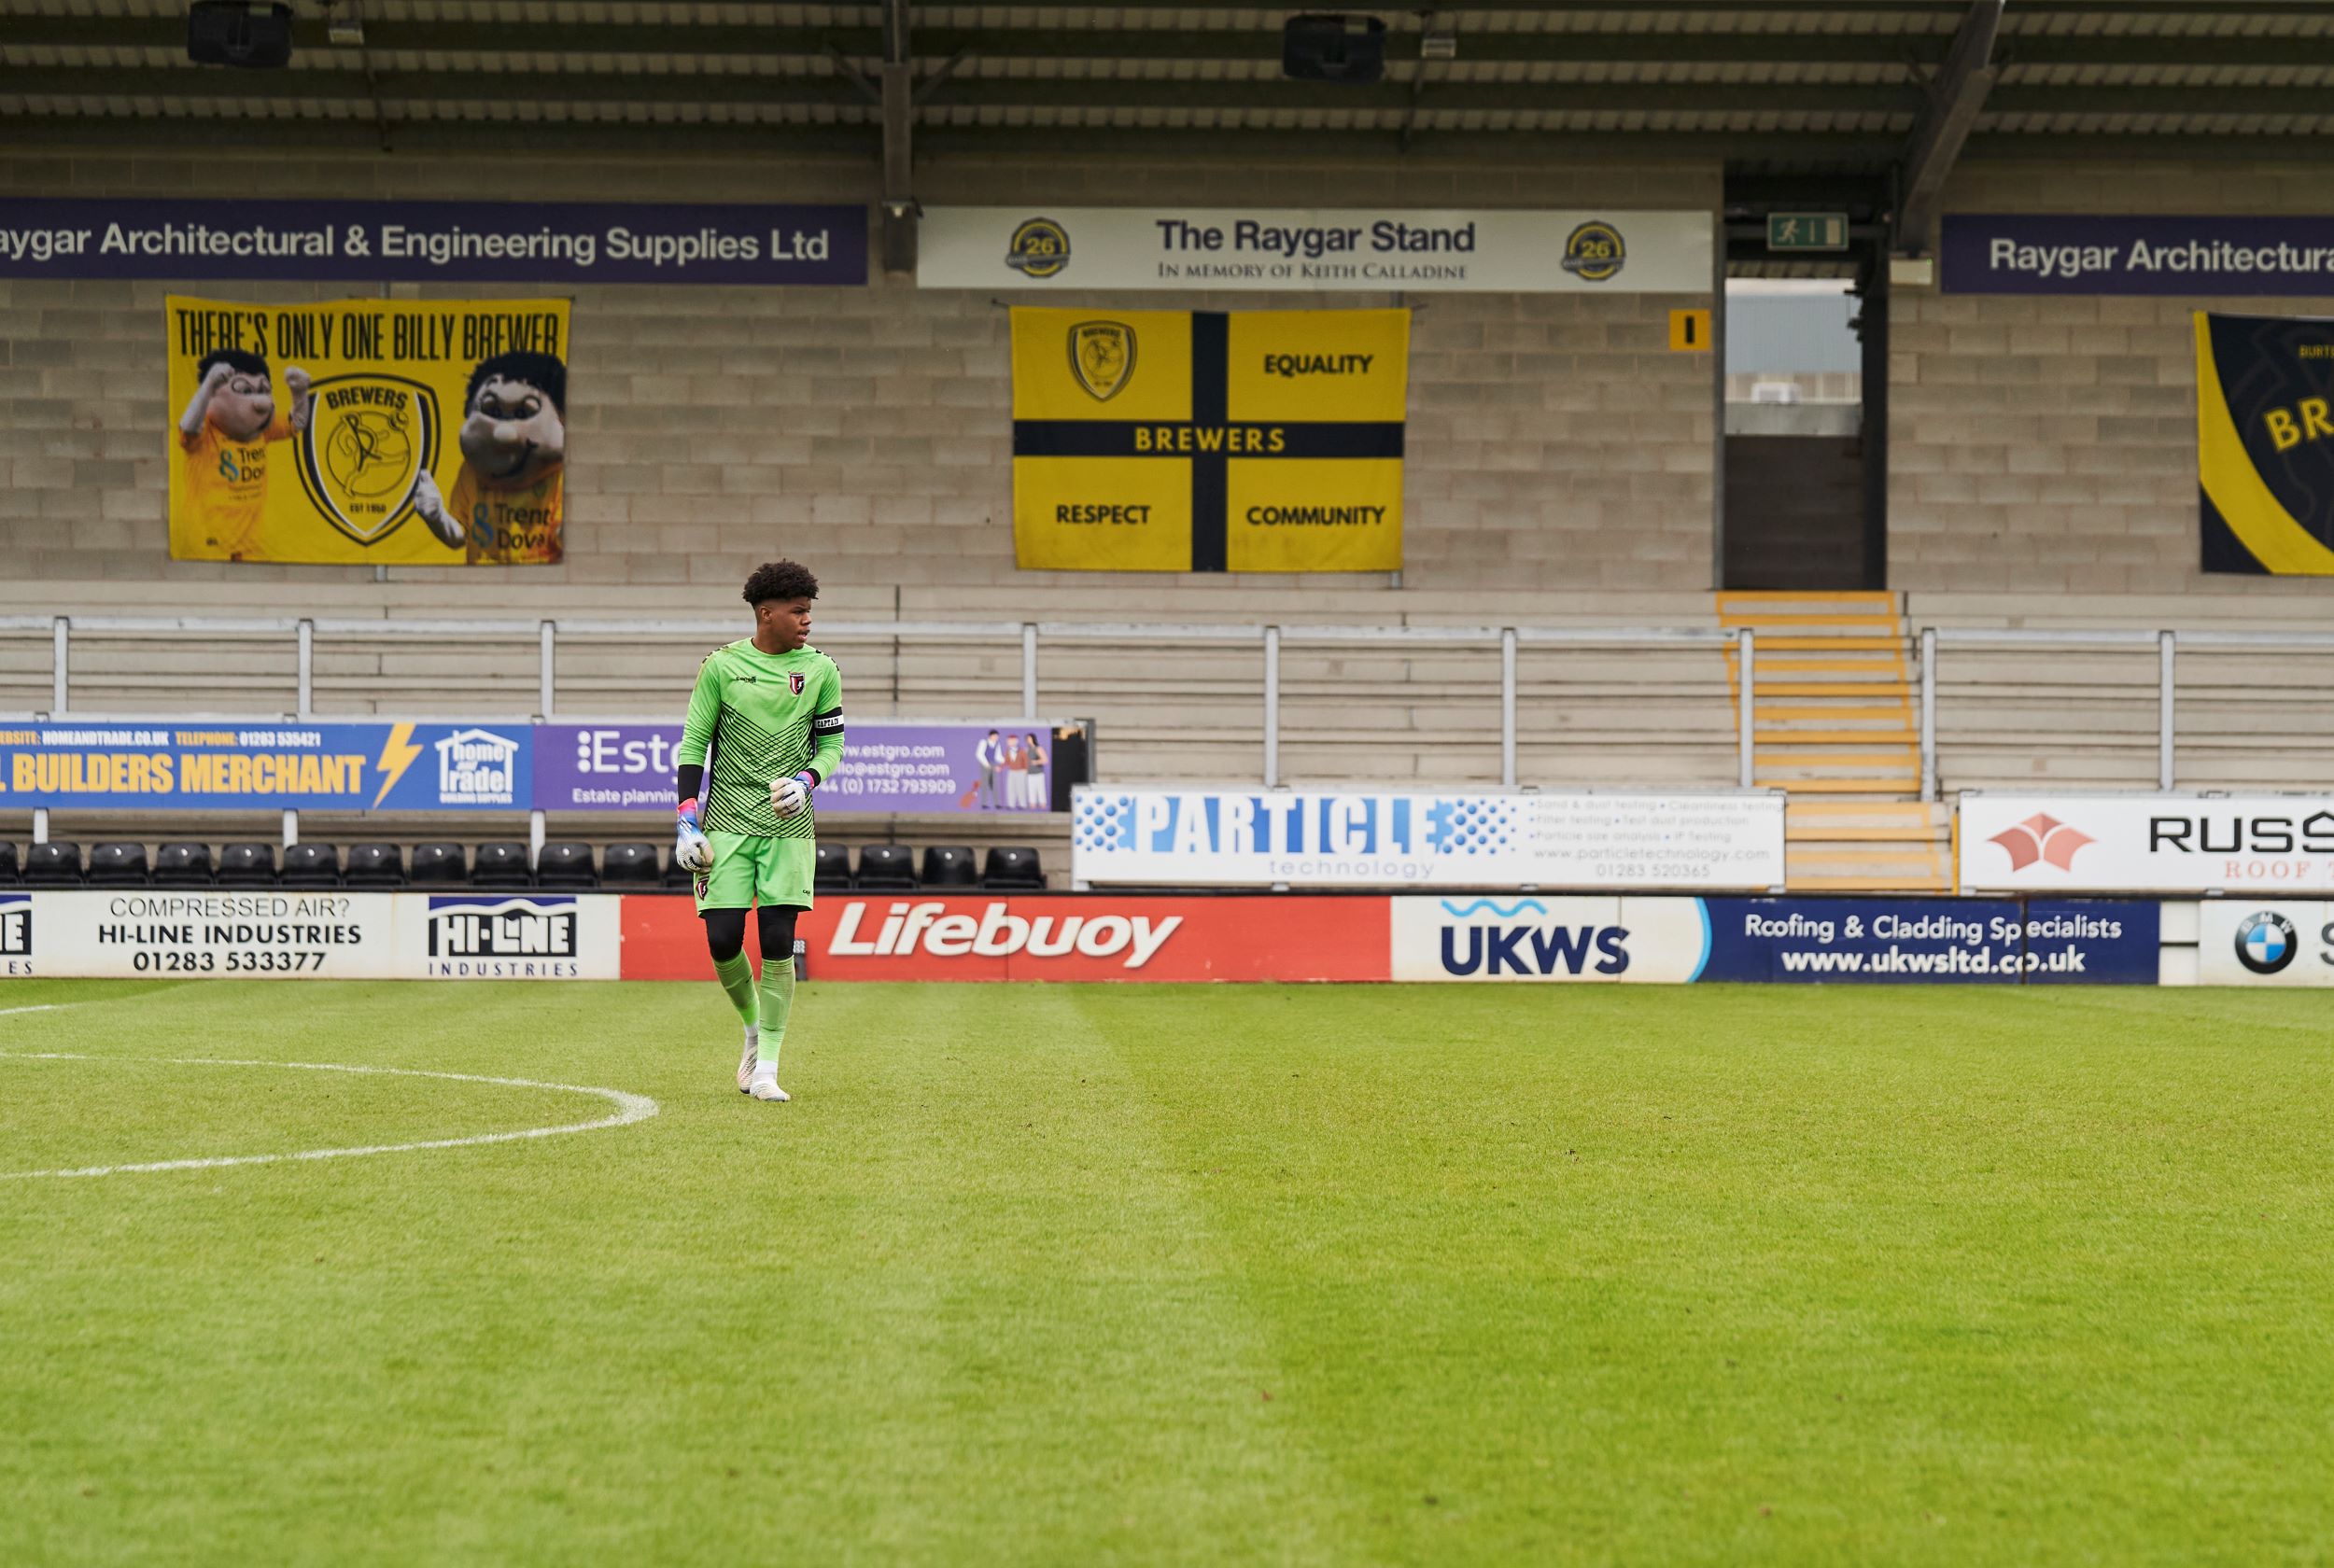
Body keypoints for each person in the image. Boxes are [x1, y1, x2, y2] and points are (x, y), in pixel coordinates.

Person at [672, 560, 844, 1103]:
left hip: (789, 827)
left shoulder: (821, 670)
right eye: (798, 611)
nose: (806, 620)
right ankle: (751, 1029)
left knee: (776, 944)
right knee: (723, 940)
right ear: (766, 613)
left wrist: (807, 780)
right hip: (725, 822)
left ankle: (766, 1065)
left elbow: (833, 746)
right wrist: (684, 820)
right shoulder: (721, 666)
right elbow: (695, 743)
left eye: (809, 611)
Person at [175, 347, 313, 560]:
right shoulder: (206, 432)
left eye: (263, 390)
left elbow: (298, 423)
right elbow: (188, 427)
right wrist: (208, 385)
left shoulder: (262, 430)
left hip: (251, 548)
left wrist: (300, 393)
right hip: (207, 547)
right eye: (245, 390)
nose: (261, 401)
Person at [976, 728, 1003, 808]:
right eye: (995, 736)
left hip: (993, 764)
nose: (996, 738)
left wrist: (1005, 761)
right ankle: (984, 803)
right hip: (985, 765)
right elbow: (979, 754)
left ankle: (997, 803)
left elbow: (998, 756)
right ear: (990, 736)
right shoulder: (984, 742)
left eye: (997, 737)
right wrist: (986, 764)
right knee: (985, 784)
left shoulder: (997, 744)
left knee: (994, 784)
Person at [1022, 731, 1049, 812]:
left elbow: (1045, 760)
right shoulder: (1027, 750)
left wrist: (1036, 762)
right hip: (1030, 774)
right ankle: (1032, 808)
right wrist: (1025, 770)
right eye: (1027, 739)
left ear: (1033, 739)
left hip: (1038, 774)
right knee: (1031, 792)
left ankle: (1043, 807)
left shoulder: (1038, 748)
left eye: (1029, 739)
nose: (1028, 740)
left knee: (1041, 791)